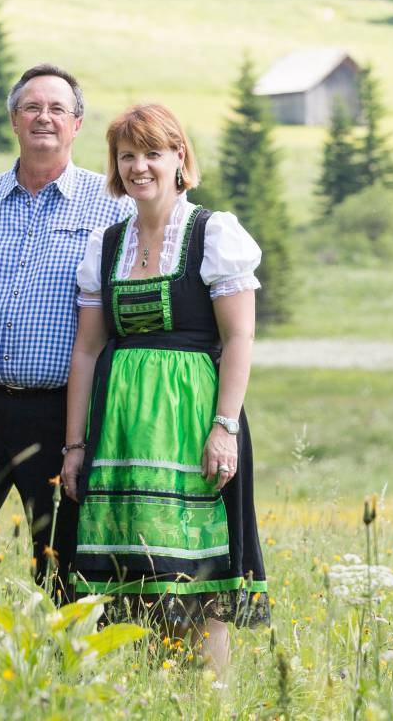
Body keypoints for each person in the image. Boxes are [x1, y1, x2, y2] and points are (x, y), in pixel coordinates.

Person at [59, 103, 269, 678]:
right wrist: (74, 445)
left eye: (153, 152)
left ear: (180, 158)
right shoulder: (107, 245)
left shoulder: (212, 232)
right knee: (131, 569)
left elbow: (241, 335)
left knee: (196, 568)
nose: (139, 166)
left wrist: (224, 428)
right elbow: (87, 349)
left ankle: (210, 700)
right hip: (121, 426)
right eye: (128, 155)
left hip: (190, 419)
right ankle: (149, 693)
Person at [0, 63, 124, 596]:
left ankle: (56, 666)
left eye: (57, 109)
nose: (43, 118)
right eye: (31, 107)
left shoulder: (111, 204)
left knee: (56, 558)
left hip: (58, 412)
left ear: (77, 124)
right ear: (13, 120)